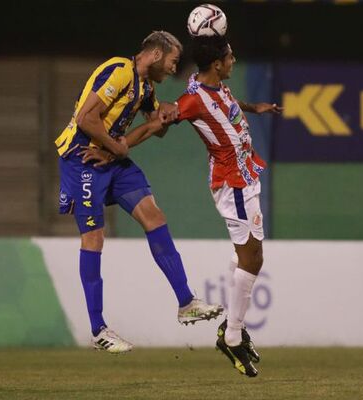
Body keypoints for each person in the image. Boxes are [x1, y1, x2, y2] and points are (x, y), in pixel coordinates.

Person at [118, 35, 281, 376]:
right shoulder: (192, 98)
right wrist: (117, 146)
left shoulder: (215, 85)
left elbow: (228, 104)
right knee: (250, 257)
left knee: (255, 257)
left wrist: (255, 108)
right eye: (230, 56)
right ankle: (232, 335)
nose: (234, 60)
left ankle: (234, 332)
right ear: (218, 64)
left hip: (246, 175)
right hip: (232, 182)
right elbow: (159, 122)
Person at [54, 31, 223, 354]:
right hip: (82, 160)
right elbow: (85, 118)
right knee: (93, 238)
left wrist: (168, 113)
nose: (174, 69)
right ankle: (97, 330)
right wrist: (116, 146)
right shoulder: (119, 71)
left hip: (112, 161)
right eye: (173, 61)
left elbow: (154, 125)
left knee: (154, 216)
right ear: (156, 55)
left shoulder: (145, 87)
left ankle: (186, 302)